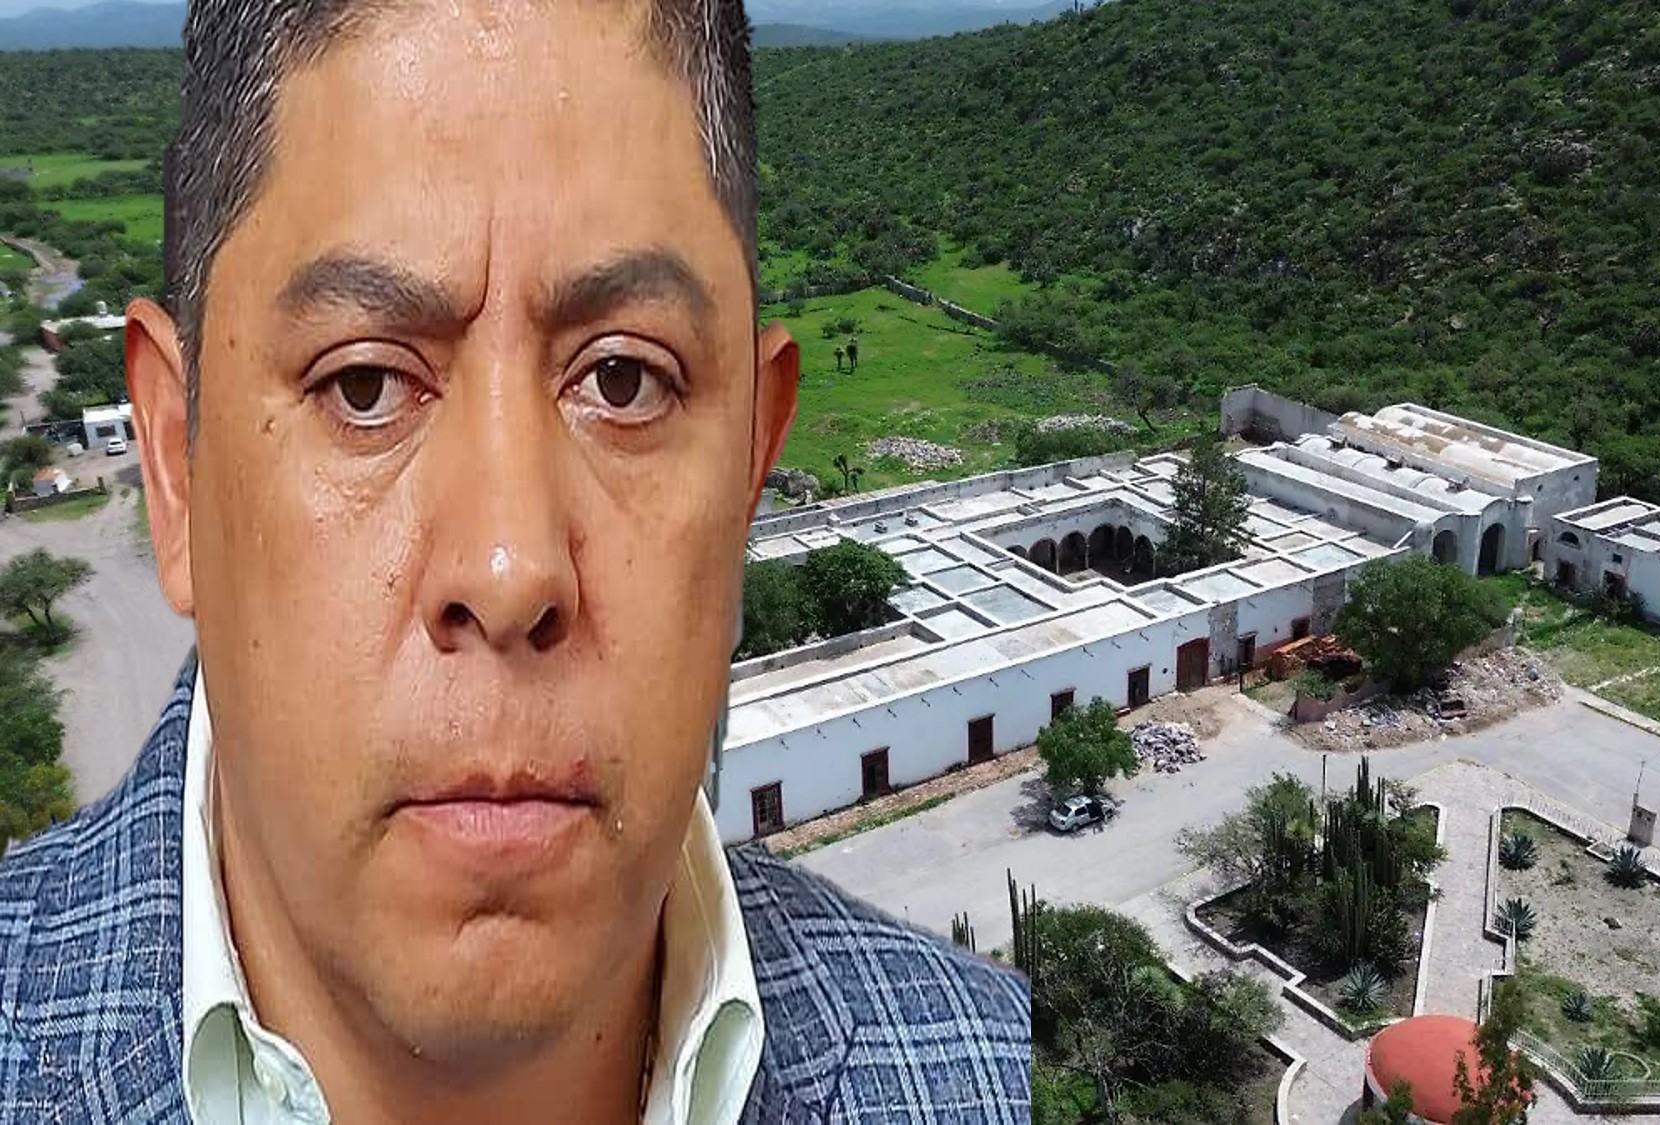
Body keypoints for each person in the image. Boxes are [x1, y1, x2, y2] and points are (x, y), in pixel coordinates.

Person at [0, 2, 1030, 1122]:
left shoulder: (985, 1071)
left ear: (750, 469)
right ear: (175, 466)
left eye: (625, 380)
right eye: (363, 385)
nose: (507, 570)